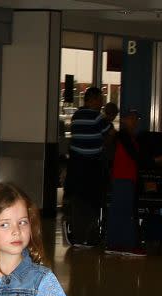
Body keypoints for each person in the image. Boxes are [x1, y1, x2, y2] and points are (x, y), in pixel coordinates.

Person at [65, 87, 110, 246]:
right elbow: (111, 135)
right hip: (92, 166)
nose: (101, 103)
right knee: (93, 201)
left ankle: (77, 236)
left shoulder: (76, 116)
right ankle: (90, 236)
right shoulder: (98, 117)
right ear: (92, 100)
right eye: (100, 99)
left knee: (78, 200)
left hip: (76, 165)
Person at [106, 108, 149, 256]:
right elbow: (135, 156)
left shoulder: (130, 137)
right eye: (131, 118)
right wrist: (154, 160)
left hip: (126, 178)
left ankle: (118, 244)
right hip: (122, 178)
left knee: (122, 210)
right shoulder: (123, 136)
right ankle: (124, 245)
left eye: (136, 118)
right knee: (123, 211)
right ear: (123, 120)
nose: (135, 121)